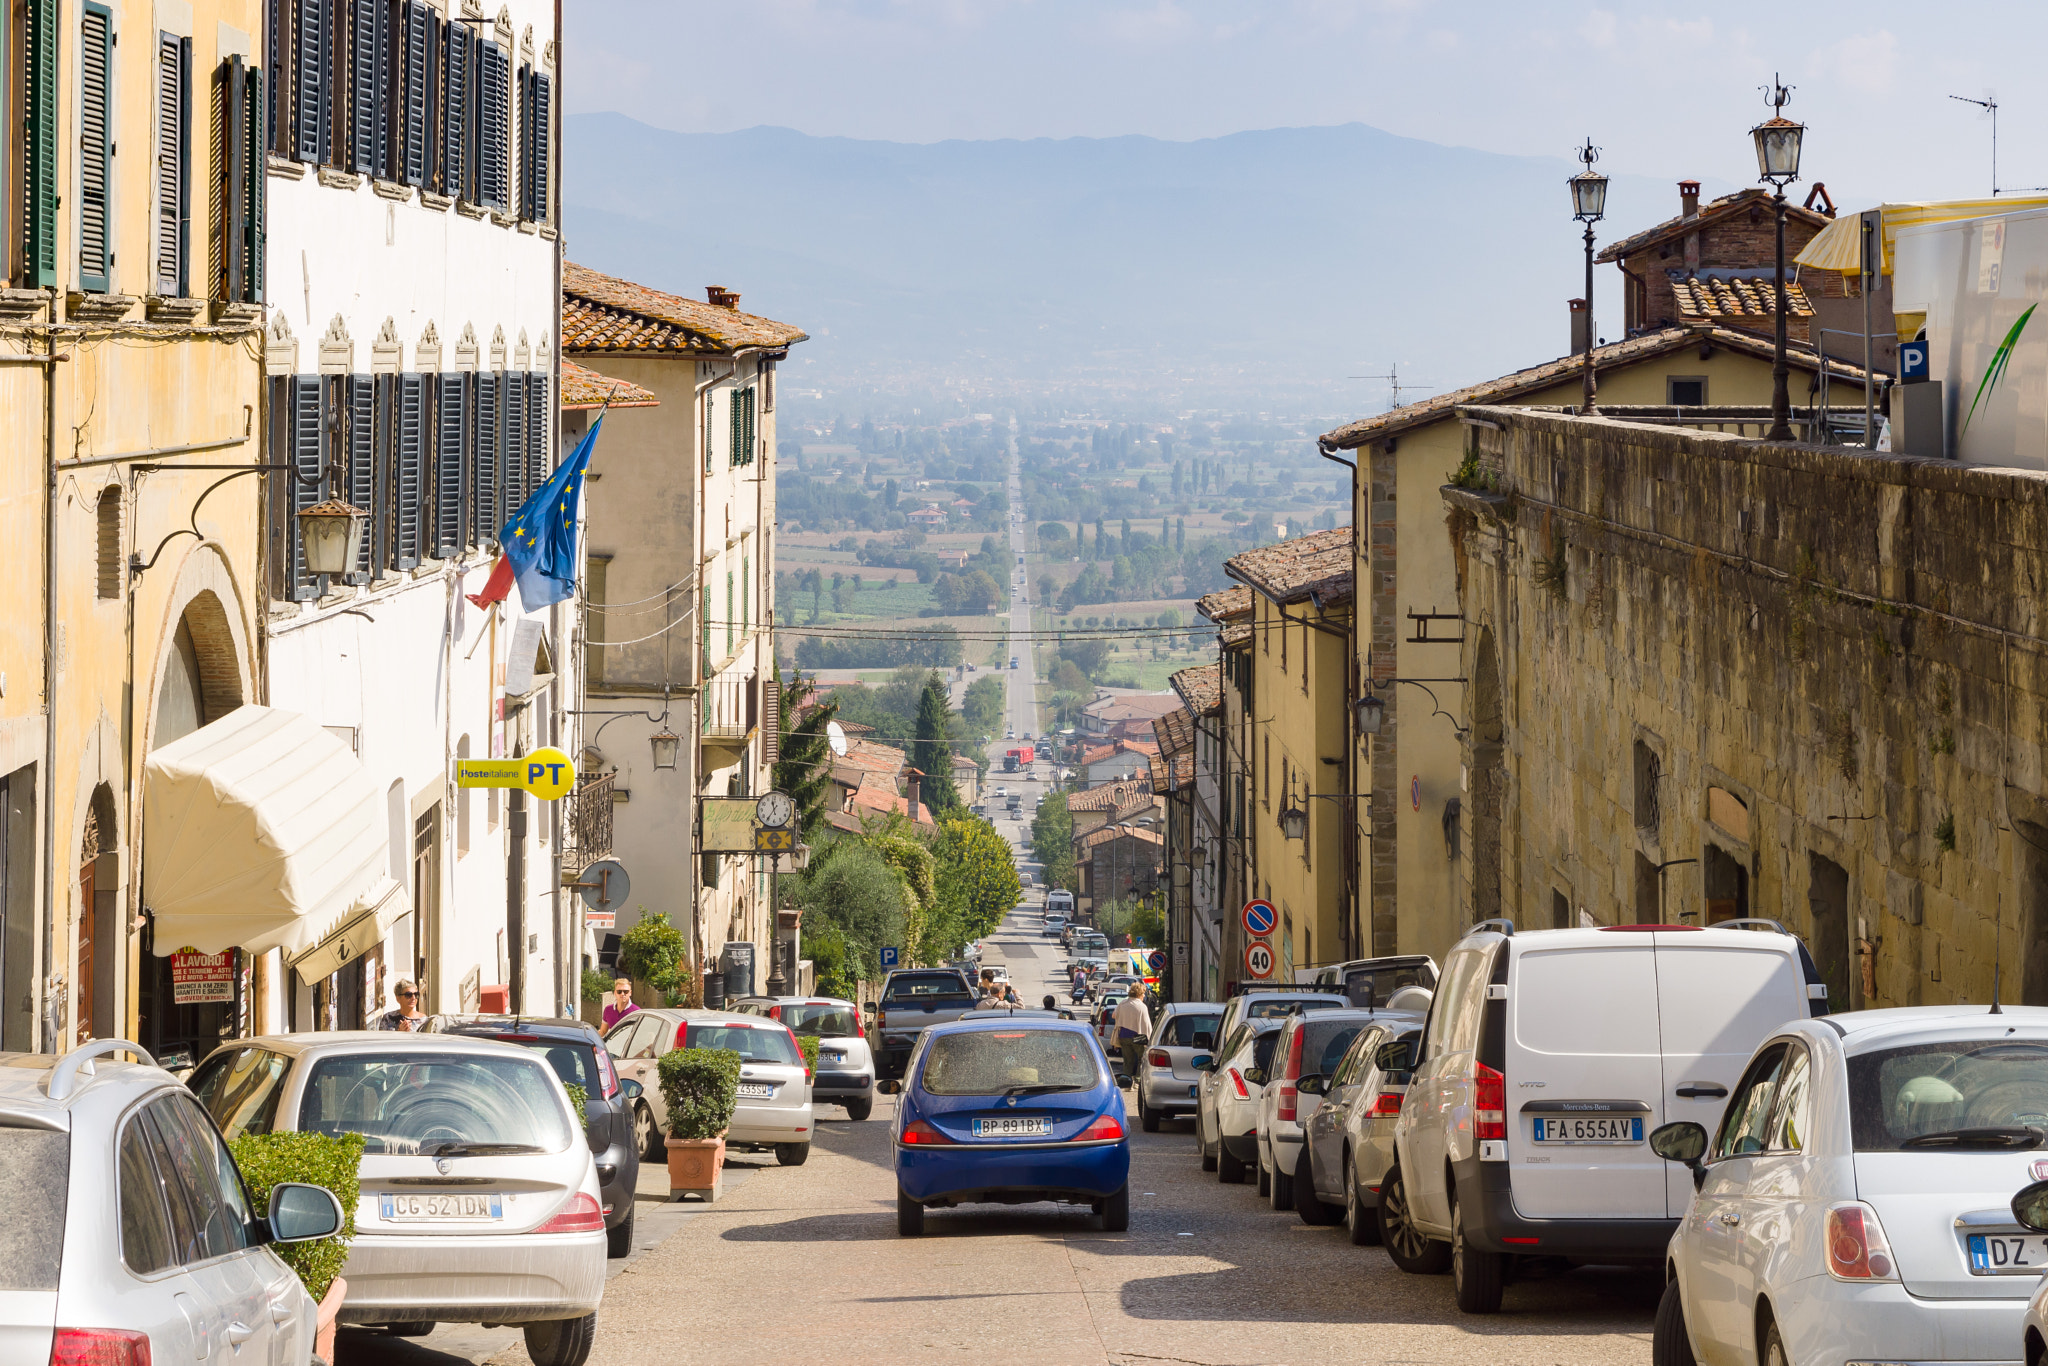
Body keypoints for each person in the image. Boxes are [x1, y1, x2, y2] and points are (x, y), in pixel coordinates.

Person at [1111, 981, 1152, 1083]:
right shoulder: (1141, 1006)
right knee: (1141, 1060)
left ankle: (1126, 1082)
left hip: (1124, 1035)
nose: (1143, 996)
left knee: (1127, 1061)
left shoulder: (1122, 1003)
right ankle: (1137, 1081)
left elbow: (1113, 1016)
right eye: (1143, 993)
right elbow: (1146, 1024)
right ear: (1139, 994)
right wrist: (1150, 1039)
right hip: (1138, 1036)